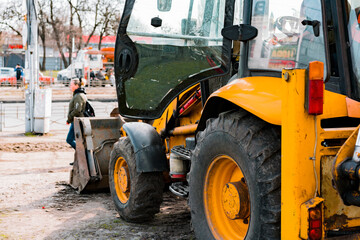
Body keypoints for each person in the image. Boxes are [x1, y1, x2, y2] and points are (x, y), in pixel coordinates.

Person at [66, 78, 87, 149]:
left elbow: (77, 110)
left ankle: (82, 153)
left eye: (71, 85)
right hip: (76, 121)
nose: (70, 86)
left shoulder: (78, 96)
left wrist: (69, 118)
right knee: (77, 140)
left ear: (76, 85)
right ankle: (80, 156)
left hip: (76, 121)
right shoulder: (79, 94)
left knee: (69, 139)